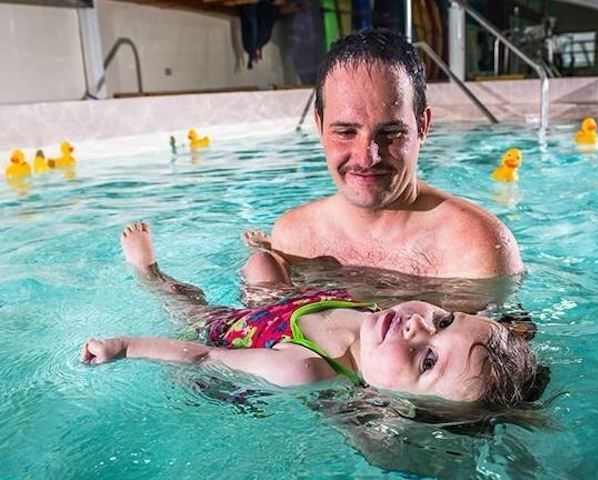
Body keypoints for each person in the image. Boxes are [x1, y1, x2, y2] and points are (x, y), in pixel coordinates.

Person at [81, 222, 540, 407]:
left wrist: (126, 346)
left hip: (243, 332)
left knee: (191, 305)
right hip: (299, 304)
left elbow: (202, 357)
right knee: (263, 265)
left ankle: (150, 273)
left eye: (427, 361)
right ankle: (269, 259)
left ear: (398, 403)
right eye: (443, 321)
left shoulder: (305, 368)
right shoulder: (385, 324)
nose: (417, 326)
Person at [243, 29, 523, 280]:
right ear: (319, 125)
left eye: (390, 132)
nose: (367, 158)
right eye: (345, 132)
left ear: (422, 126)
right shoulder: (294, 238)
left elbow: (511, 336)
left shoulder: (475, 248)